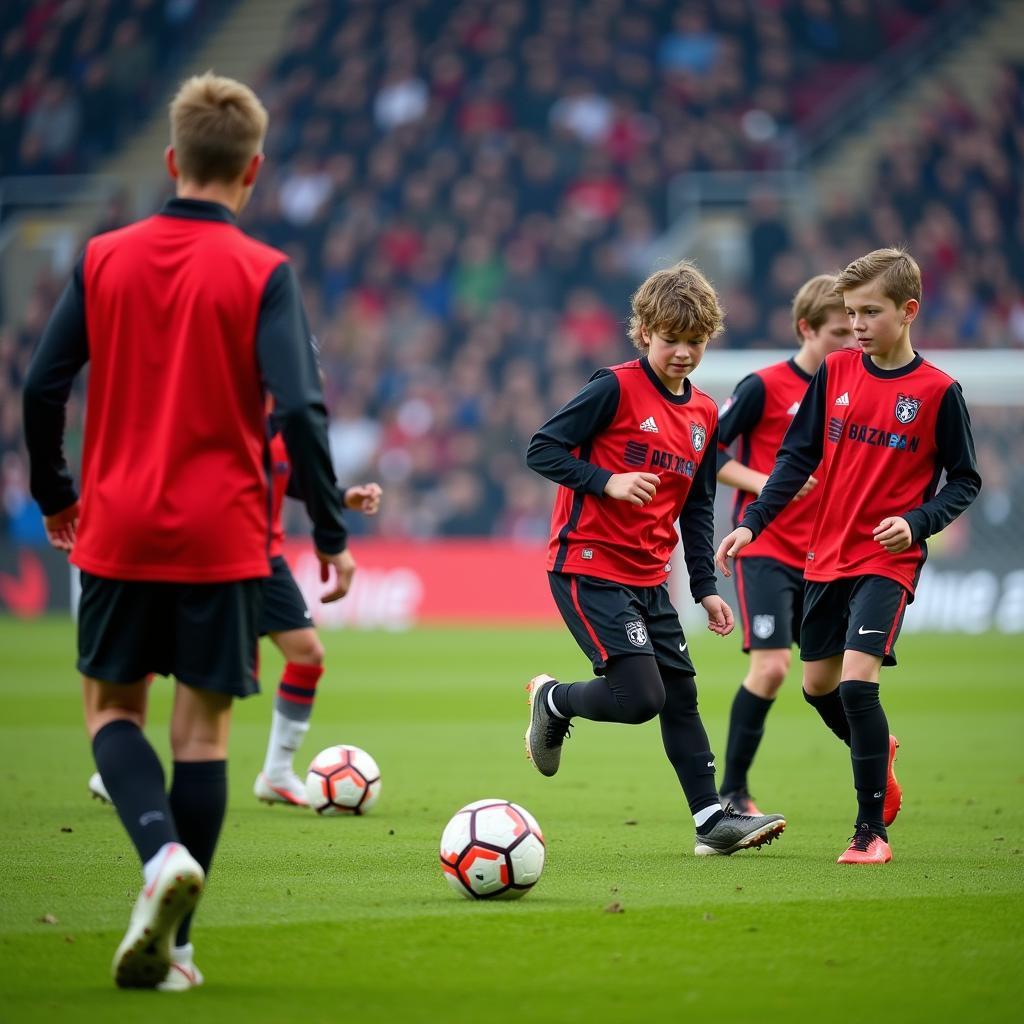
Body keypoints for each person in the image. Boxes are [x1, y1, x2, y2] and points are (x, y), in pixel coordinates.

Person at [23, 72, 354, 990]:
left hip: (118, 527)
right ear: (252, 172)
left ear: (171, 161)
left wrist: (57, 493)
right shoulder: (263, 273)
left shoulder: (102, 259)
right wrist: (329, 530)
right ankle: (179, 943)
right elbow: (301, 410)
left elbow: (42, 387)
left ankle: (157, 857)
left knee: (112, 714)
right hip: (223, 539)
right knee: (201, 737)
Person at [716, 248, 981, 865]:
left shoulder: (940, 392)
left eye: (870, 312)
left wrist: (917, 524)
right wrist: (754, 524)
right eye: (851, 313)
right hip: (823, 555)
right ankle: (878, 751)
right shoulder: (835, 372)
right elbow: (796, 457)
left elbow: (965, 481)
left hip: (886, 560)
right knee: (817, 686)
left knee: (859, 684)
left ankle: (869, 833)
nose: (857, 324)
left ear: (908, 311)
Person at [524, 260, 787, 857]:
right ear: (644, 332)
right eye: (671, 339)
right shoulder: (613, 387)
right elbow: (542, 448)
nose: (683, 353)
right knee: (641, 698)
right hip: (588, 564)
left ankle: (710, 822)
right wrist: (605, 481)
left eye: (695, 341)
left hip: (649, 578)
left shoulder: (703, 414)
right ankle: (553, 699)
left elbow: (697, 506)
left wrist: (704, 588)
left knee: (681, 695)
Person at [89, 418, 383, 810]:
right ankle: (119, 766)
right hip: (216, 550)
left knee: (307, 653)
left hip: (266, 555)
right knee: (162, 650)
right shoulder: (232, 411)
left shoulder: (282, 424)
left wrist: (342, 496)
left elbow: (288, 477)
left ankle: (276, 773)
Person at [714, 274, 859, 815]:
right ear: (806, 328)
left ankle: (873, 757)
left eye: (855, 330)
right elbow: (708, 453)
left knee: (836, 680)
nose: (851, 342)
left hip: (828, 555)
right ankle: (732, 794)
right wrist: (768, 485)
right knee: (772, 668)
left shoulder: (856, 389)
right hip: (767, 547)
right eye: (839, 332)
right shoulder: (764, 386)